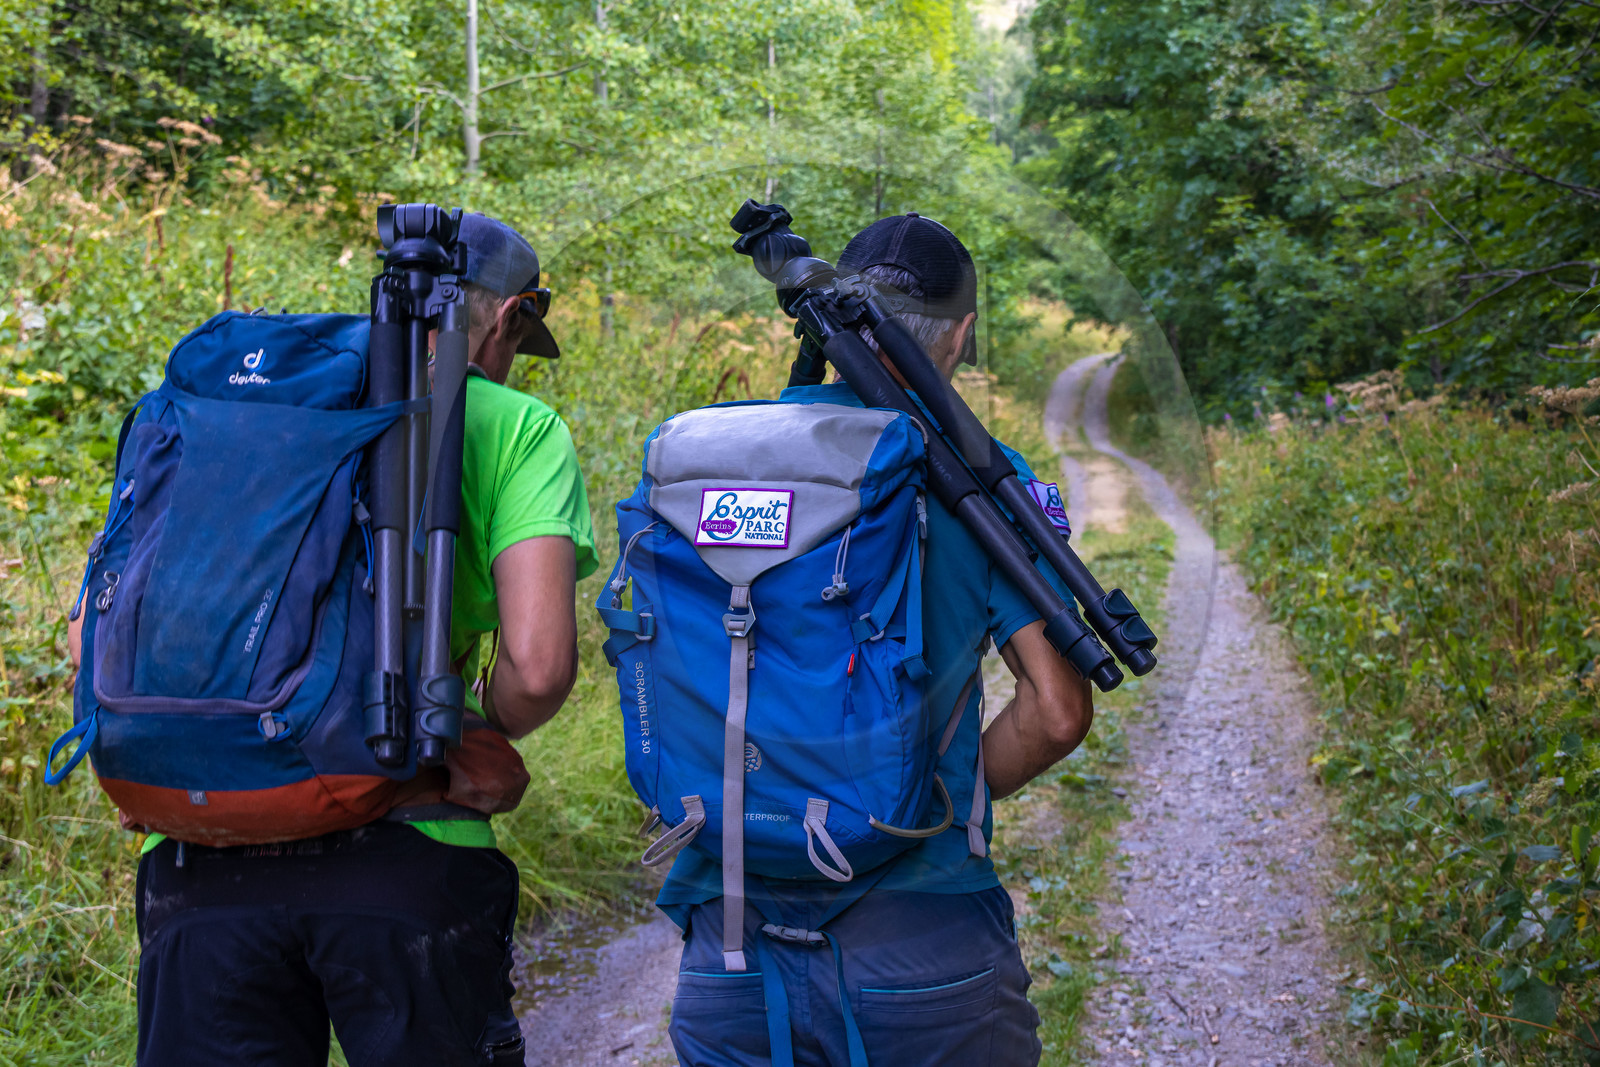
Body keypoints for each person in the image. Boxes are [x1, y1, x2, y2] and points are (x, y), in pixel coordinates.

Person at [67, 213, 598, 1067]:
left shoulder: (236, 415)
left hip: (201, 853)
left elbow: (90, 629)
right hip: (410, 849)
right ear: (505, 320)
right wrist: (460, 731)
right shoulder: (516, 426)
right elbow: (538, 668)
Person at [657, 213, 1094, 1066]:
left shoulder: (716, 458)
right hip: (923, 946)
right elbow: (1055, 712)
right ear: (962, 333)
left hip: (730, 938)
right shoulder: (978, 478)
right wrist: (915, 800)